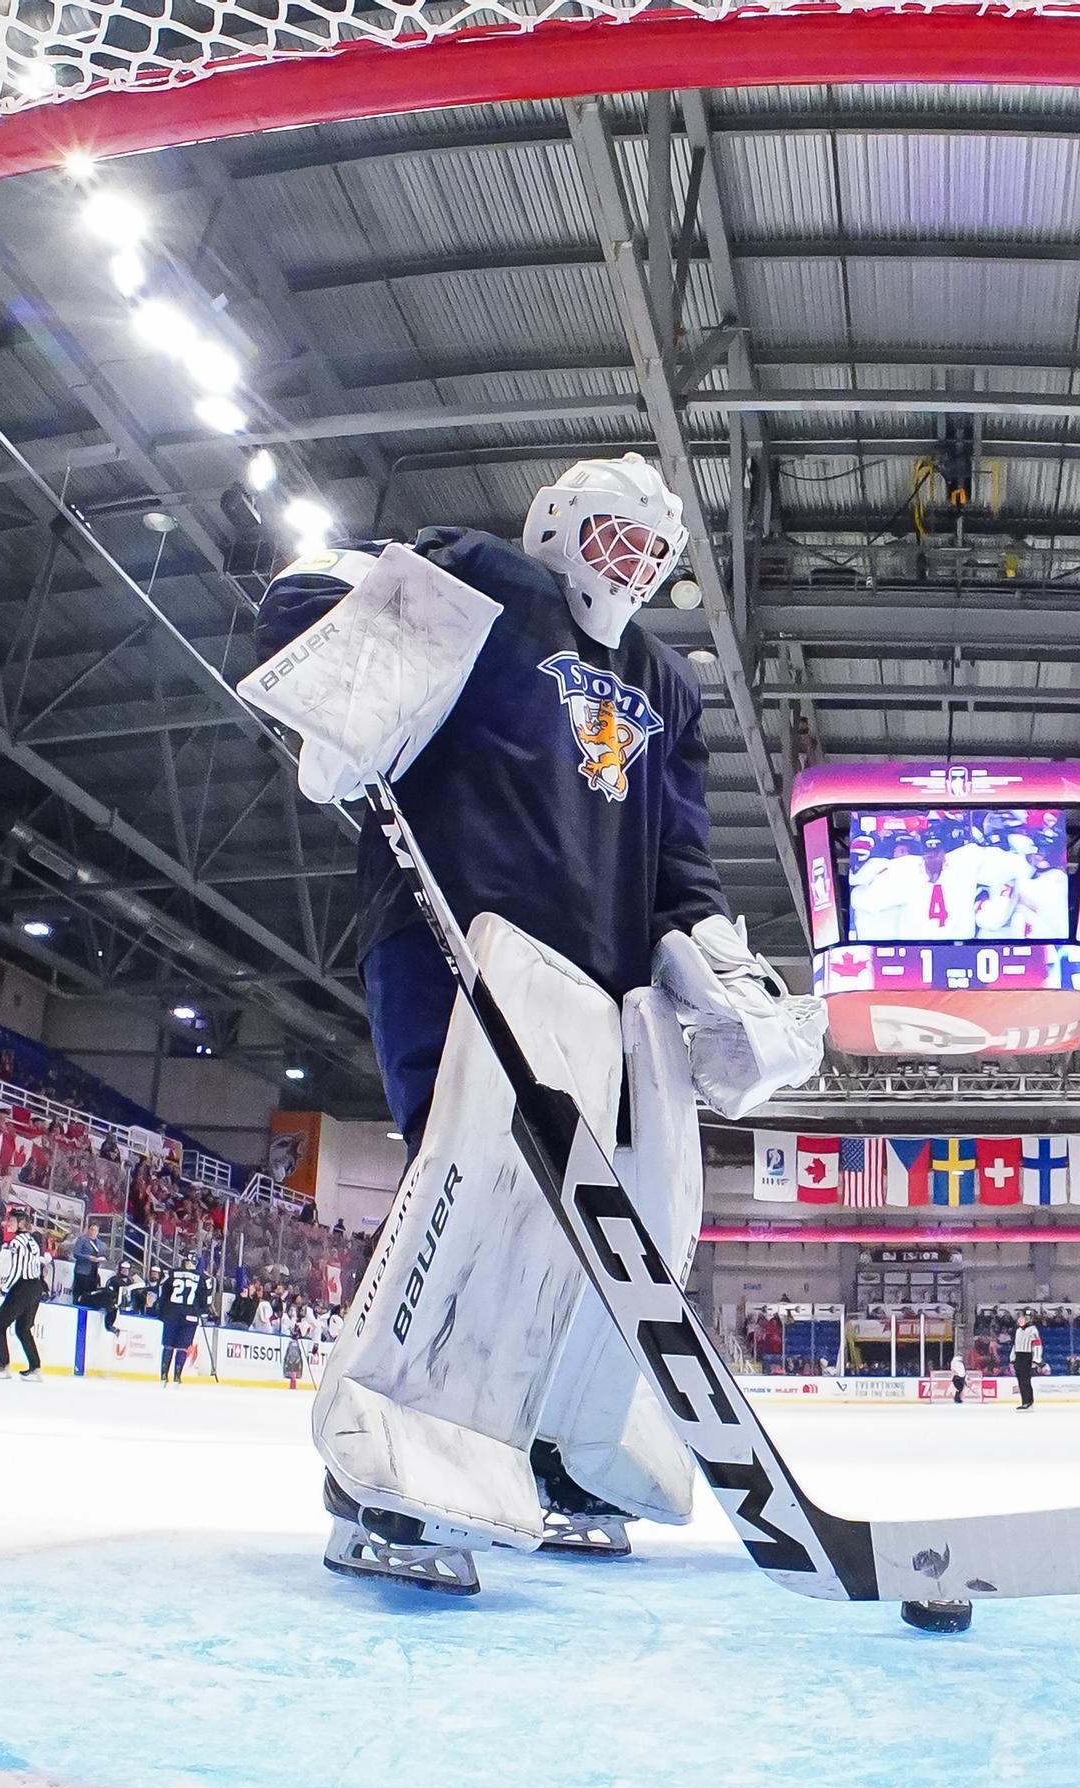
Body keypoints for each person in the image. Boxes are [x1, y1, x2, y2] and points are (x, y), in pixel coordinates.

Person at [251, 455, 825, 1593]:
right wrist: (351, 671)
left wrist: (709, 968)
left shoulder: (666, 682)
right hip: (457, 934)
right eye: (611, 533)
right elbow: (306, 592)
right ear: (559, 523)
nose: (630, 560)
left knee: (617, 1220)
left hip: (600, 990)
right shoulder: (489, 577)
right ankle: (381, 1477)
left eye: (649, 550)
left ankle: (560, 1461)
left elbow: (681, 855)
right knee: (475, 1189)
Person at [0, 1216, 47, 1379]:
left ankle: (3, 1365)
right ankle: (35, 1367)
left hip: (23, 1287)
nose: (8, 1224)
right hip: (36, 1287)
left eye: (11, 1221)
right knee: (23, 1328)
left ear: (20, 1224)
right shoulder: (33, 1241)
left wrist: (3, 1289)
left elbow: (17, 1269)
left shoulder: (17, 1242)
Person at [157, 1258, 210, 1386]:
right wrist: (204, 1312)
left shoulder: (171, 1273)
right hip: (190, 1316)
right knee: (182, 1347)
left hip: (171, 1313)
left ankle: (164, 1375)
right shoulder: (202, 1278)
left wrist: (161, 1311)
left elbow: (163, 1293)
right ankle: (177, 1376)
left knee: (168, 1345)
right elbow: (206, 1298)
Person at [1012, 1315, 1041, 1410]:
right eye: (1019, 1319)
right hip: (1018, 1356)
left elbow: (1037, 1345)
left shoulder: (1033, 1330)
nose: (1019, 1321)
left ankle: (1029, 1401)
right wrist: (1012, 1358)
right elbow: (1015, 1345)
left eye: (1022, 1319)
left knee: (1025, 1380)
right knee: (1020, 1380)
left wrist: (1036, 1359)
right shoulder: (1018, 1331)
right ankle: (1024, 1401)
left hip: (1027, 1356)